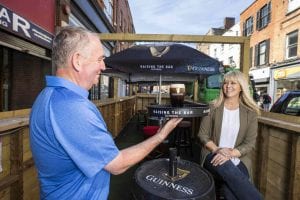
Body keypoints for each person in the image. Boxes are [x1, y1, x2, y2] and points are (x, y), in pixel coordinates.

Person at [29, 26, 182, 200]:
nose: (103, 66)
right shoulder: (72, 108)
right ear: (77, 61)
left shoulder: (47, 96)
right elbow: (118, 164)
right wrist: (161, 135)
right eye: (100, 59)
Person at [198, 70, 262, 200]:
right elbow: (202, 135)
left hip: (238, 158)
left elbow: (250, 143)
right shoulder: (212, 107)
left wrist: (231, 154)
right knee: (227, 168)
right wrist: (218, 150)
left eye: (233, 83)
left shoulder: (251, 113)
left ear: (241, 87)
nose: (228, 86)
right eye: (226, 83)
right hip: (213, 154)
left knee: (230, 190)